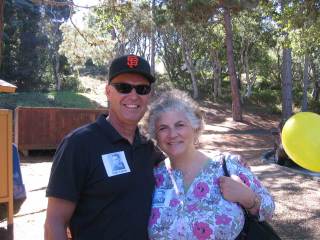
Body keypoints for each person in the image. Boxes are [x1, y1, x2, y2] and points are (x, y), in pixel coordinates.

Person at [44, 54, 164, 240]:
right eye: (123, 87)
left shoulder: (149, 147)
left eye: (142, 89)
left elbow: (185, 174)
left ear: (149, 95)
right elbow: (55, 222)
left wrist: (223, 184)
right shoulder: (79, 144)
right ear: (108, 92)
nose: (133, 95)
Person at [146, 89, 275, 240]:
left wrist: (248, 198)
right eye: (163, 128)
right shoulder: (153, 177)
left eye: (179, 125)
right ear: (156, 135)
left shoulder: (227, 165)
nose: (172, 134)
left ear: (195, 127)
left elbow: (269, 209)